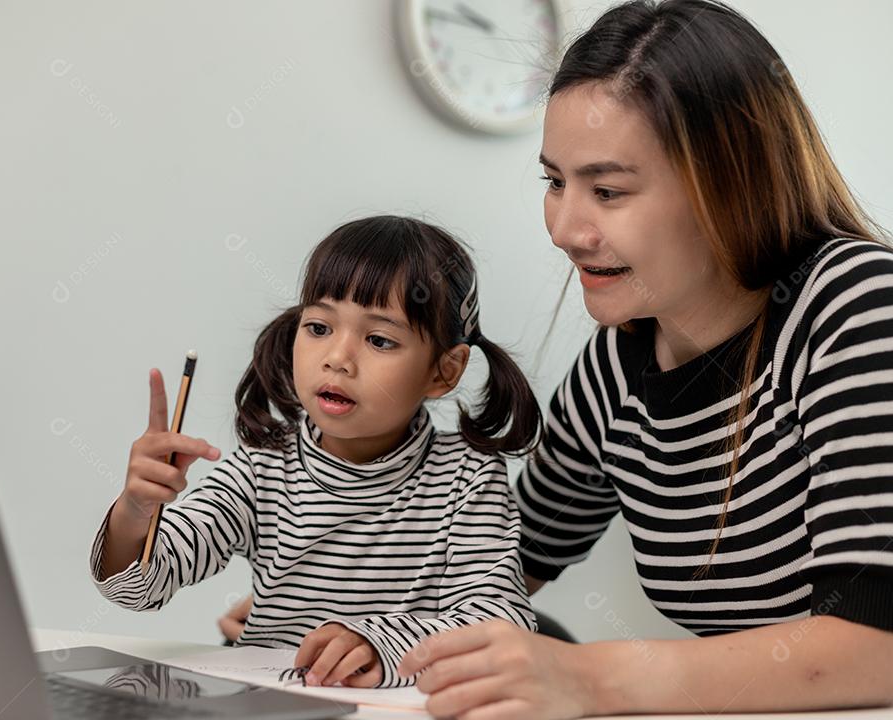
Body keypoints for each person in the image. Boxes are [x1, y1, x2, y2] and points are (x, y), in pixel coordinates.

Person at [223, 1, 893, 716]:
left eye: (607, 191)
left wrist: (589, 678)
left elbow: (876, 647)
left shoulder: (856, 307)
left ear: (732, 182)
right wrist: (336, 612)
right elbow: (496, 566)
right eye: (554, 182)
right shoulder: (616, 368)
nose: (566, 229)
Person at [90, 215, 542, 688]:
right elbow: (138, 587)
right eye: (320, 327)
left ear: (444, 372)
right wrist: (136, 510)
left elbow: (502, 620)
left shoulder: (467, 478)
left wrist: (379, 645)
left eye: (379, 339)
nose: (337, 358)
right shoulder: (262, 468)